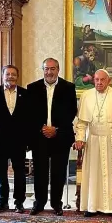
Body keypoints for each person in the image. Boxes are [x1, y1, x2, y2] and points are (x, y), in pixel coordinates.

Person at [75, 69, 112, 217]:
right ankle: (91, 206)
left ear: (108, 81)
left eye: (102, 80)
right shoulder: (86, 96)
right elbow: (82, 122)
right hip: (93, 141)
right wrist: (80, 138)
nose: (99, 82)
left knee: (111, 175)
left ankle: (111, 207)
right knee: (93, 174)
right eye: (96, 79)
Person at [27, 58, 78, 215]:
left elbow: (71, 112)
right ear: (43, 70)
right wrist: (42, 128)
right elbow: (29, 113)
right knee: (40, 172)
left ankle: (57, 203)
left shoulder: (68, 87)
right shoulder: (33, 88)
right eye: (46, 69)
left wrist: (56, 129)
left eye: (53, 69)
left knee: (59, 172)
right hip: (39, 136)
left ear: (58, 69)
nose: (49, 72)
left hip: (60, 136)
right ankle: (39, 203)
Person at [0, 65, 30, 214]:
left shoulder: (26, 94)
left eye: (13, 74)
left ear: (17, 77)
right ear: (2, 76)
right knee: (1, 173)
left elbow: (29, 120)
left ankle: (19, 202)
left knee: (19, 173)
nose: (10, 77)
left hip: (19, 141)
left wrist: (28, 141)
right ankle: (2, 202)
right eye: (7, 74)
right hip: (0, 141)